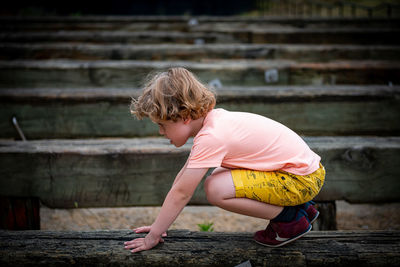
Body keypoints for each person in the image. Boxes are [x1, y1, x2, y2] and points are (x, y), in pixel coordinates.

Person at [124, 67, 325, 253]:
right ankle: (301, 209)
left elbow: (182, 193)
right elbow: (183, 178)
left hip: (301, 181)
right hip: (303, 173)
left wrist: (154, 236)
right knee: (219, 176)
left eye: (163, 125)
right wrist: (160, 225)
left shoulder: (212, 137)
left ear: (184, 116)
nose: (160, 132)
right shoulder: (214, 123)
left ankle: (289, 219)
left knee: (216, 189)